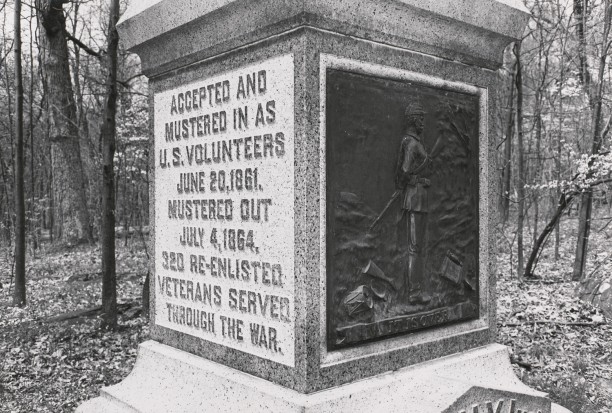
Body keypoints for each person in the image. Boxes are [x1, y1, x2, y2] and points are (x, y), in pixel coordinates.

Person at [395, 103, 432, 300]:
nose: (424, 123)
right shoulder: (412, 143)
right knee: (414, 247)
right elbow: (404, 171)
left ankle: (416, 288)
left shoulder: (415, 142)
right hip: (415, 199)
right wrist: (418, 179)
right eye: (421, 119)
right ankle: (414, 292)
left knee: (418, 247)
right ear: (414, 120)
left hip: (420, 198)